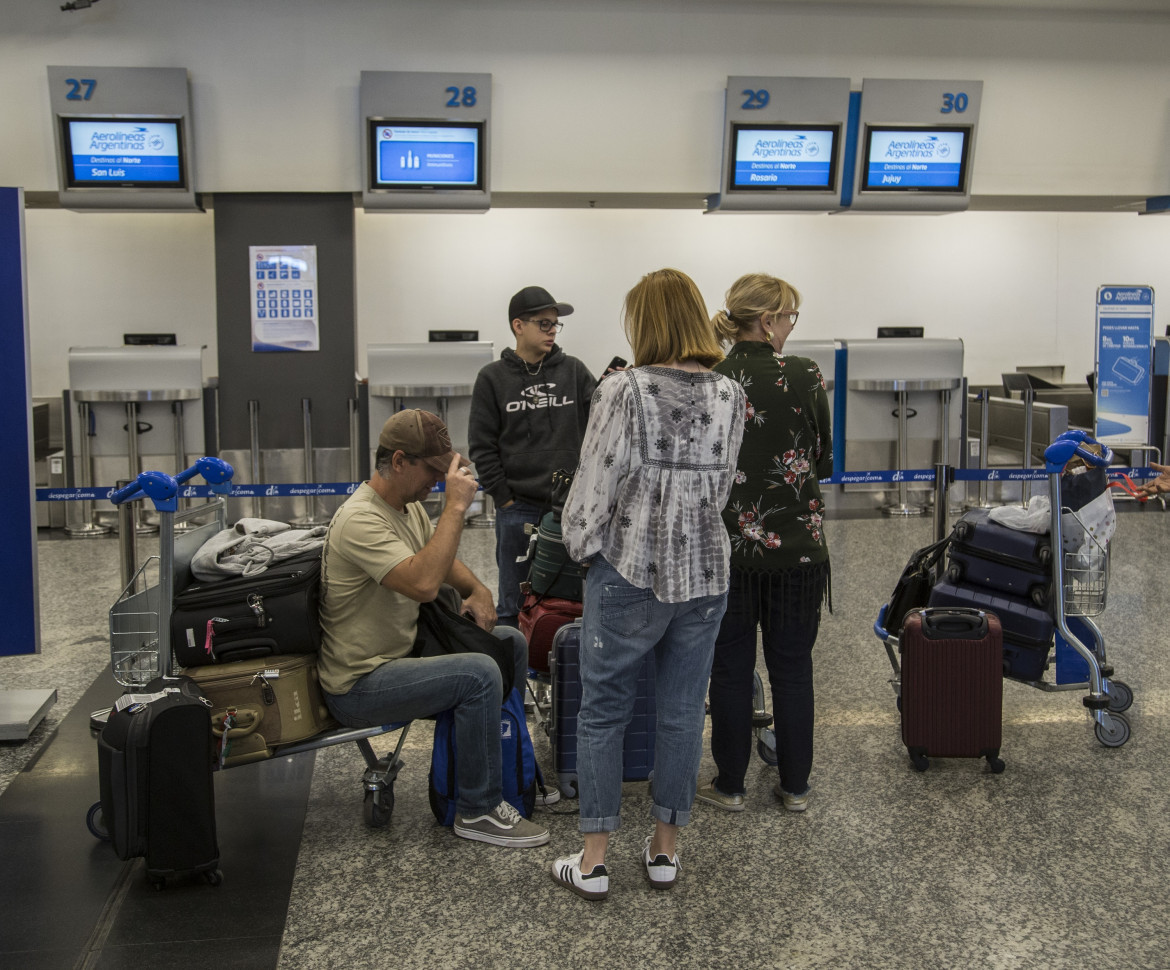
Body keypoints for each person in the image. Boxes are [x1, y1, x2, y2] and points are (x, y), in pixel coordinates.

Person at [550, 268, 745, 900]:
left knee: (604, 710)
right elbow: (720, 489)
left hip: (631, 568)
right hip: (707, 572)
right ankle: (664, 852)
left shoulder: (622, 389)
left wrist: (582, 549)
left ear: (646, 323)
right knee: (684, 711)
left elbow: (593, 486)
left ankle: (594, 861)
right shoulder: (730, 394)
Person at [317, 408, 550, 848]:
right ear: (399, 461)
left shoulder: (405, 507)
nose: (438, 482)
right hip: (361, 683)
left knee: (510, 642)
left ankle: (507, 769)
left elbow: (442, 561)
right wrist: (457, 507)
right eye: (432, 471)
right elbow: (424, 583)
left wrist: (477, 589)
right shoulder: (360, 519)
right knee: (479, 674)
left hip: (403, 655)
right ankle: (477, 809)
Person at [698, 272, 833, 815]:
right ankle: (795, 787)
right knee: (793, 667)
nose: (791, 329)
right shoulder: (802, 374)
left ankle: (729, 784)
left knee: (729, 668)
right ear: (769, 319)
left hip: (727, 551)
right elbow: (823, 457)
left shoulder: (710, 377)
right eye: (790, 318)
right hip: (798, 550)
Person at [469, 286, 597, 629]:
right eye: (543, 323)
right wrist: (504, 499)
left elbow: (602, 428)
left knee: (572, 602)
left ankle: (565, 676)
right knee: (513, 603)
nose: (552, 330)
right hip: (518, 508)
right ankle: (515, 680)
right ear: (518, 326)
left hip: (570, 509)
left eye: (555, 324)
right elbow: (481, 445)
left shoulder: (574, 371)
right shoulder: (492, 379)